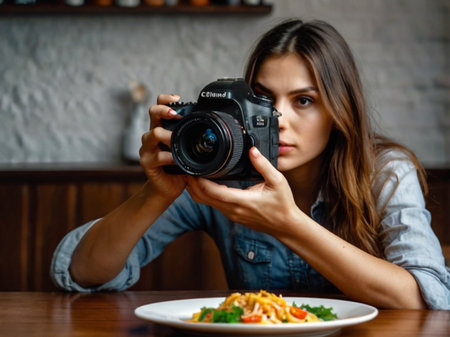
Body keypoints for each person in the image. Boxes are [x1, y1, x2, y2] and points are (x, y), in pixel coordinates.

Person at [50, 19, 449, 309]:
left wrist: (289, 224)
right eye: (263, 100)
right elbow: (80, 272)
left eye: (304, 100)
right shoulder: (222, 174)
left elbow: (427, 295)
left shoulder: (383, 172)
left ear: (338, 110)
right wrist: (156, 192)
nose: (279, 119)